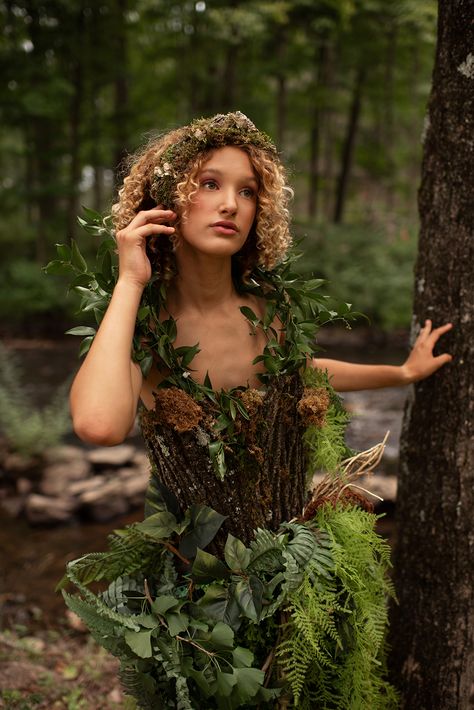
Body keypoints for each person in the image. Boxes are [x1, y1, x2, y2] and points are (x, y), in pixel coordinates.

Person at [64, 112, 452, 709]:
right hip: (198, 594)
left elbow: (299, 371)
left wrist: (400, 373)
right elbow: (98, 425)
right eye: (209, 184)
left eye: (248, 191)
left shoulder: (267, 313)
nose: (231, 205)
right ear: (167, 199)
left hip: (295, 564)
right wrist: (129, 283)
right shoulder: (141, 329)